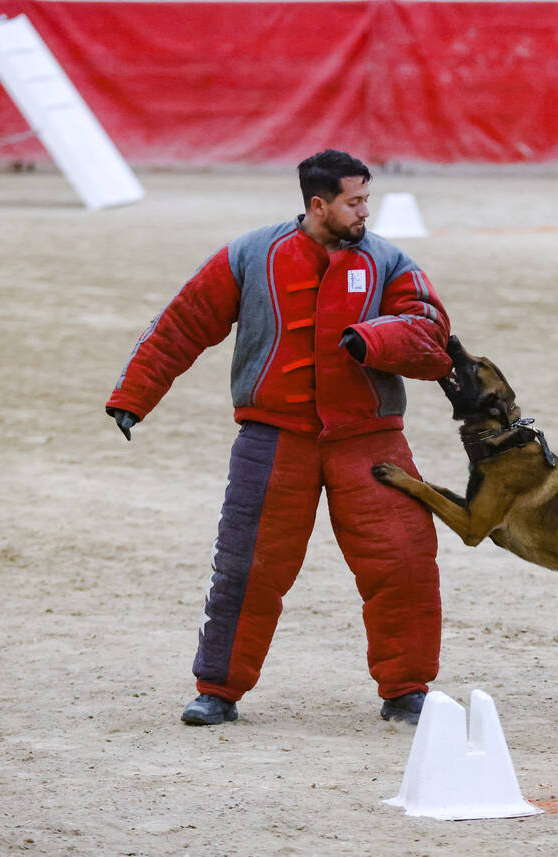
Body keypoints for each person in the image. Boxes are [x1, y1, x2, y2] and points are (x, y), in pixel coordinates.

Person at [106, 149, 451, 727]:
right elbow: (183, 323)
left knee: (405, 562)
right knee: (247, 567)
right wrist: (133, 396)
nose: (367, 210)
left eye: (367, 198)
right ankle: (217, 690)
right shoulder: (249, 254)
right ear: (319, 204)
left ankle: (407, 690)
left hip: (370, 440)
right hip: (273, 438)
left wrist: (374, 341)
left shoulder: (391, 261)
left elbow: (431, 331)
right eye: (355, 201)